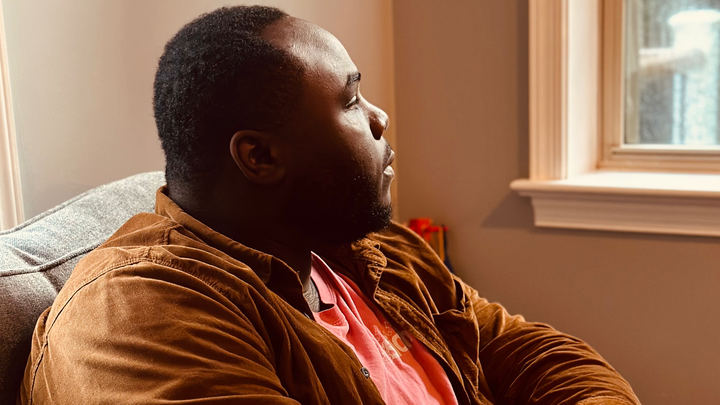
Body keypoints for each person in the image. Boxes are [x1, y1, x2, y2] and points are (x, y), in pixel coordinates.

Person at [18, 6, 640, 405]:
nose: (379, 117)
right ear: (260, 156)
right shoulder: (139, 315)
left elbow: (522, 348)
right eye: (350, 101)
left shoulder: (363, 246)